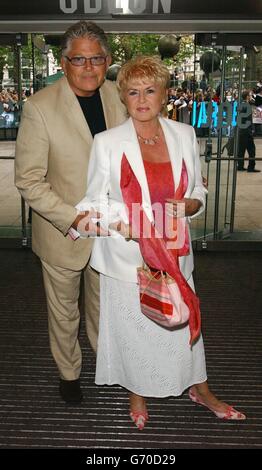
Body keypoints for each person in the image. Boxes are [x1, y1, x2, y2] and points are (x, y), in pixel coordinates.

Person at [77, 56, 246, 428]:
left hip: (174, 249)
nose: (141, 100)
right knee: (135, 328)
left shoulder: (183, 135)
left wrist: (192, 204)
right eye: (133, 92)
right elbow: (93, 201)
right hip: (128, 255)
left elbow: (198, 188)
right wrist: (126, 225)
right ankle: (136, 391)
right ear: (123, 97)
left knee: (182, 322)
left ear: (165, 95)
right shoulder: (107, 142)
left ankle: (199, 388)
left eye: (150, 91)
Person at [15, 21, 126, 403]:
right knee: (64, 312)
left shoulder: (120, 98)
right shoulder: (39, 107)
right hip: (64, 231)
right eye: (79, 58)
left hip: (111, 230)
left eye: (97, 58)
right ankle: (69, 373)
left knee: (103, 304)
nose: (89, 67)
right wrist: (74, 217)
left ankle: (105, 362)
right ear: (64, 62)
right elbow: (29, 180)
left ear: (108, 61)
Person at [237, 90, 260, 172]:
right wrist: (251, 130)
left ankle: (240, 166)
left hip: (241, 130)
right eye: (250, 95)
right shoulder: (247, 106)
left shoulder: (241, 105)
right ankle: (251, 167)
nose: (251, 97)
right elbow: (249, 120)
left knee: (241, 150)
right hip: (246, 131)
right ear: (247, 96)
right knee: (251, 150)